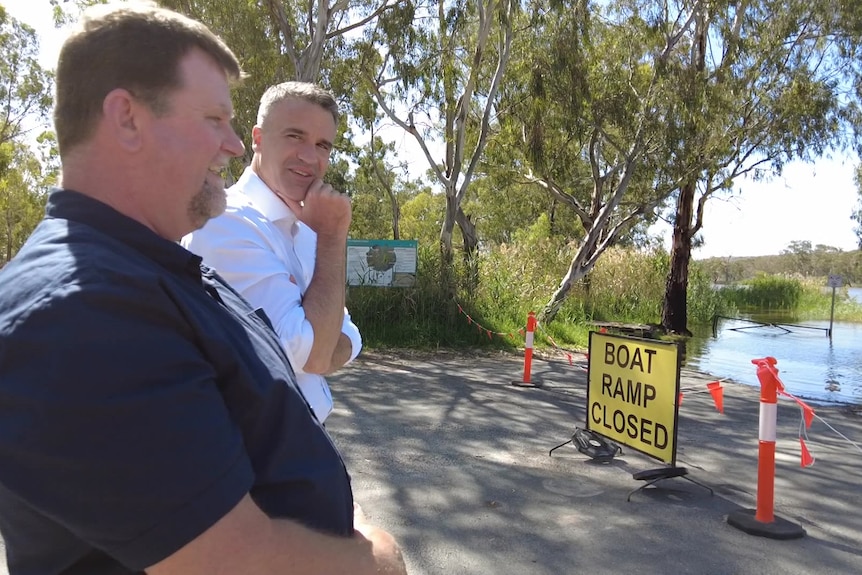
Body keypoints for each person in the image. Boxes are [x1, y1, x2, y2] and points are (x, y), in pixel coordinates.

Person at [0, 3, 406, 574]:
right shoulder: (82, 313)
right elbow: (232, 562)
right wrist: (375, 555)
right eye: (215, 119)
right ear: (127, 118)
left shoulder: (157, 271)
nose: (235, 145)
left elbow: (318, 356)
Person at [183, 81, 359, 424]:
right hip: (259, 457)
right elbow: (309, 354)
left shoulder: (305, 227)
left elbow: (350, 335)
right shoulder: (226, 222)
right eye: (295, 136)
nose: (310, 157)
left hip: (302, 440)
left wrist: (323, 342)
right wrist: (334, 237)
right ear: (258, 138)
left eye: (323, 144)